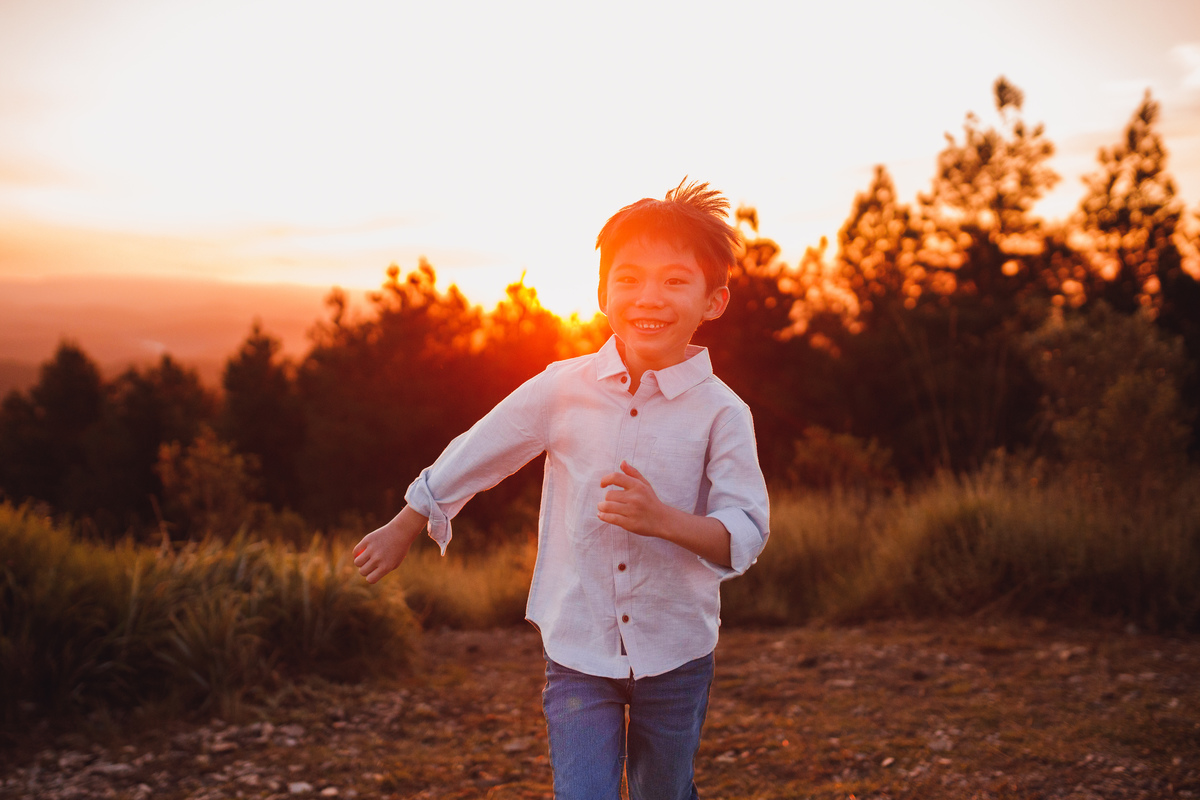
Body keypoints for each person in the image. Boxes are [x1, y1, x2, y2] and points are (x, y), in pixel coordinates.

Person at [354, 179, 770, 800]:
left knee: (664, 791)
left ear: (714, 301)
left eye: (674, 281)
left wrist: (663, 519)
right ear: (602, 294)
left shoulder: (723, 413)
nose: (648, 297)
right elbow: (479, 449)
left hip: (677, 653)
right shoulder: (561, 387)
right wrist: (407, 521)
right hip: (578, 648)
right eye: (628, 278)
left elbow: (746, 532)